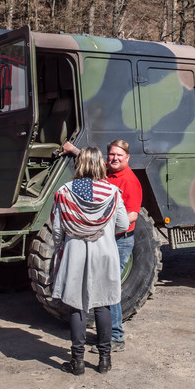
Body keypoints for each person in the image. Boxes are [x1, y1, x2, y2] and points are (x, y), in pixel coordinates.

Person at [51, 147, 129, 375]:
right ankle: (105, 360)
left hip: (75, 253)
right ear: (100, 164)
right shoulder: (113, 192)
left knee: (77, 306)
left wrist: (61, 245)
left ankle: (78, 362)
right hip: (104, 252)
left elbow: (57, 230)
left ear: (79, 164)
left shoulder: (65, 191)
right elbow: (123, 224)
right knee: (102, 304)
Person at [61, 139, 143, 352]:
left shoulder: (130, 181)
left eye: (119, 156)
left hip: (120, 240)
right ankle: (105, 334)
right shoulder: (106, 170)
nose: (114, 159)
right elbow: (90, 160)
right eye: (111, 155)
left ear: (128, 157)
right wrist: (73, 150)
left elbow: (132, 215)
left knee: (109, 288)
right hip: (105, 238)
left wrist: (103, 226)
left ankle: (115, 337)